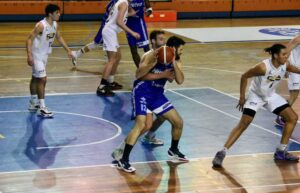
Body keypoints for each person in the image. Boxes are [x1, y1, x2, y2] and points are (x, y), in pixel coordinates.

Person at [212, 44, 300, 168]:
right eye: (284, 54)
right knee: (244, 123)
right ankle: (222, 152)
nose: (287, 56)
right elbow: (244, 76)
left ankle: (281, 151)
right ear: (275, 55)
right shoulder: (262, 67)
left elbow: (297, 70)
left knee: (292, 118)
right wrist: (242, 97)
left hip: (270, 96)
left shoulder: (285, 65)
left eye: (287, 54)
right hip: (256, 96)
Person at [115, 34, 187, 173]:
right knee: (142, 124)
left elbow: (179, 80)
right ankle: (123, 159)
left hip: (157, 94)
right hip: (142, 90)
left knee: (178, 122)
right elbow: (139, 75)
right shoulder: (152, 55)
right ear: (173, 48)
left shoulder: (177, 60)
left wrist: (173, 63)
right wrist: (157, 67)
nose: (182, 52)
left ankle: (173, 150)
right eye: (181, 49)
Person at [26, 4, 74, 118]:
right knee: (42, 79)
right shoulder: (41, 25)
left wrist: (68, 50)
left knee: (35, 77)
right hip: (36, 54)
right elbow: (28, 39)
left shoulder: (55, 24)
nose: (59, 14)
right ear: (50, 14)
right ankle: (42, 107)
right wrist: (29, 55)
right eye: (57, 12)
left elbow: (59, 37)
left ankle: (33, 103)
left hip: (44, 55)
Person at [96, 0, 140, 96]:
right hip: (109, 32)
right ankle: (102, 87)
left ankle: (110, 82)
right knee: (111, 60)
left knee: (118, 56)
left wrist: (133, 12)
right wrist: (132, 32)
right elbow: (119, 22)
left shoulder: (123, 3)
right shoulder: (123, 3)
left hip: (112, 32)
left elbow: (126, 14)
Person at [275, 35, 300, 126]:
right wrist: (285, 67)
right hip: (294, 68)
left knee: (295, 94)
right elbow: (285, 52)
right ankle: (282, 116)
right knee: (294, 94)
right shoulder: (297, 39)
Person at [126, 0, 152, 67]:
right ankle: (140, 69)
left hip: (140, 24)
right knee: (133, 50)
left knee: (146, 49)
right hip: (128, 25)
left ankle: (151, 68)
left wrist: (148, 12)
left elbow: (149, 7)